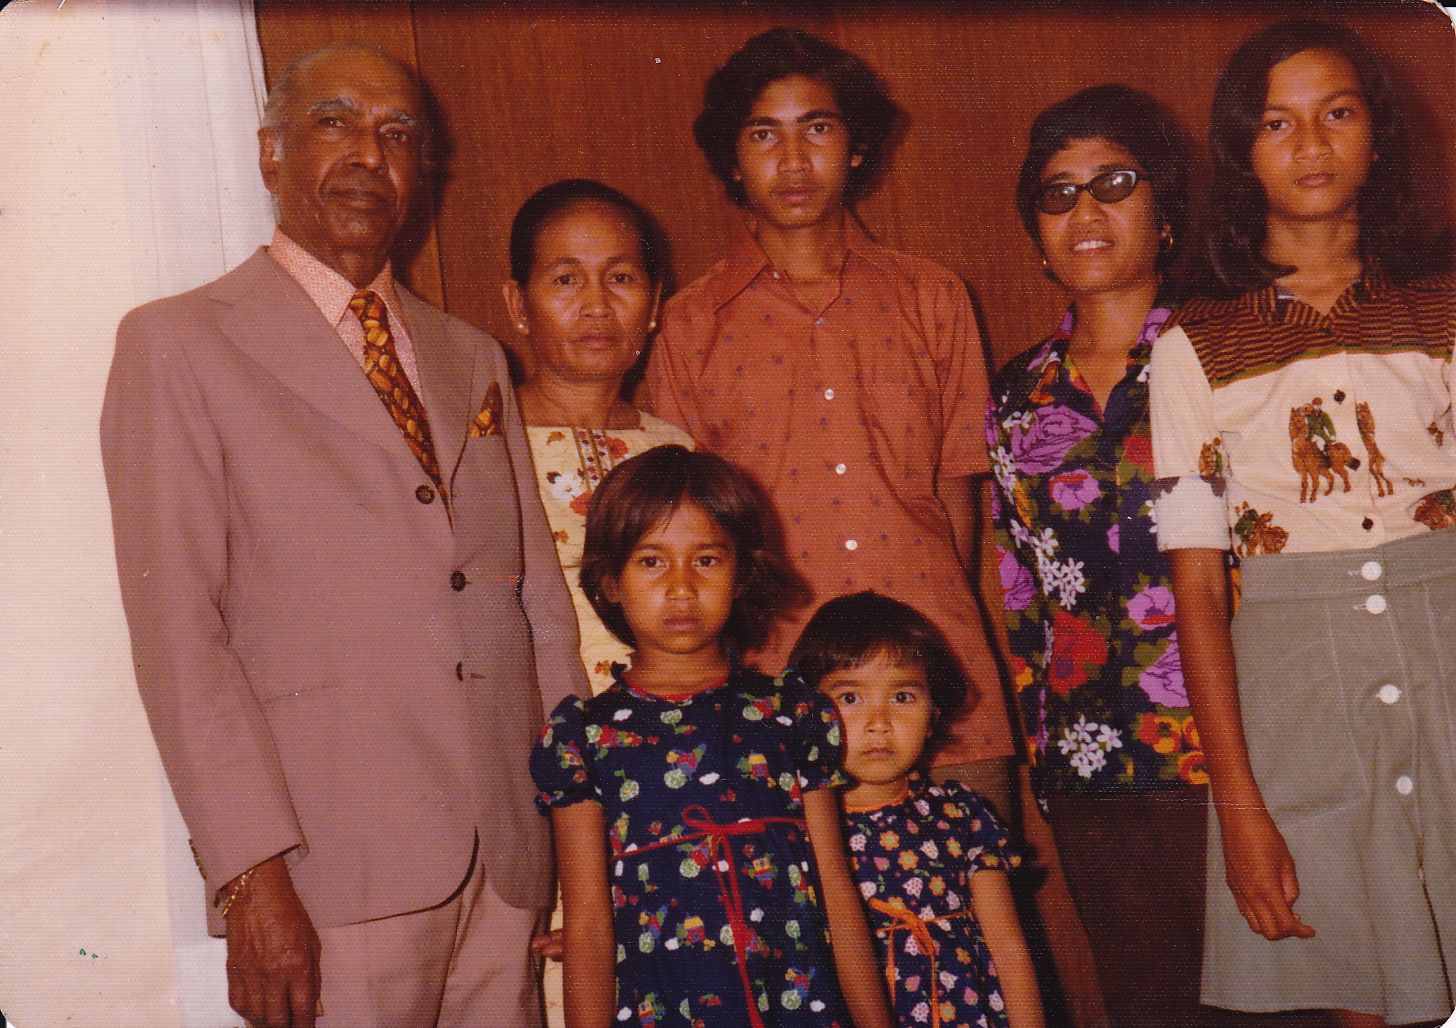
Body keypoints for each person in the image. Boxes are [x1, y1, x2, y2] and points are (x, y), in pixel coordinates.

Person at [100, 43, 587, 1028]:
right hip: (328, 878)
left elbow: (535, 608)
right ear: (271, 151)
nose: (370, 152)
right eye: (336, 121)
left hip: (509, 869)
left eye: (398, 133)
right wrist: (250, 872)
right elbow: (179, 635)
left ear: (422, 170)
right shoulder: (179, 344)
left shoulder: (475, 356)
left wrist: (572, 831)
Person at [1149, 20, 1455, 1027]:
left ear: (1378, 135)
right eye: (1276, 123)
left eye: (1337, 113)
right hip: (1299, 698)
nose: (1311, 144)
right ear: (1239, 151)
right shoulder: (1194, 346)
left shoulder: (1443, 309)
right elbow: (1196, 586)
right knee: (1367, 982)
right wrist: (1239, 806)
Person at [640, 28, 1013, 800]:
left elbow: (957, 495)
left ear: (856, 147)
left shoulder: (932, 297)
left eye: (817, 127)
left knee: (970, 907)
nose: (794, 158)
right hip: (776, 680)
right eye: (764, 134)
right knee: (804, 917)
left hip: (936, 667)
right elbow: (688, 527)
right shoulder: (688, 323)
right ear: (733, 160)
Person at [988, 85, 1252, 1028]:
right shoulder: (1016, 397)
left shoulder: (1230, 358)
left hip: (1235, 751)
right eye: (1057, 195)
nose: (1085, 212)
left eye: (1115, 183)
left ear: (1168, 211)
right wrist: (1041, 754)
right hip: (1092, 763)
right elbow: (1022, 593)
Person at [530, 445, 892, 1028]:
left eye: (706, 560)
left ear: (741, 575)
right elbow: (592, 928)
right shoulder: (583, 739)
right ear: (610, 583)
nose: (681, 587)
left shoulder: (790, 714)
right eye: (652, 561)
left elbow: (837, 892)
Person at [790, 591, 1045, 1028]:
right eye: (850, 698)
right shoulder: (801, 830)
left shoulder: (961, 815)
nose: (879, 721)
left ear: (932, 715)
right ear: (807, 713)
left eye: (903, 697)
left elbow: (1008, 947)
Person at [505, 179, 694, 696]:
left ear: (654, 302)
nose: (596, 305)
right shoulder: (481, 446)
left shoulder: (677, 452)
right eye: (566, 280)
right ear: (518, 305)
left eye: (620, 278)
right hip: (534, 730)